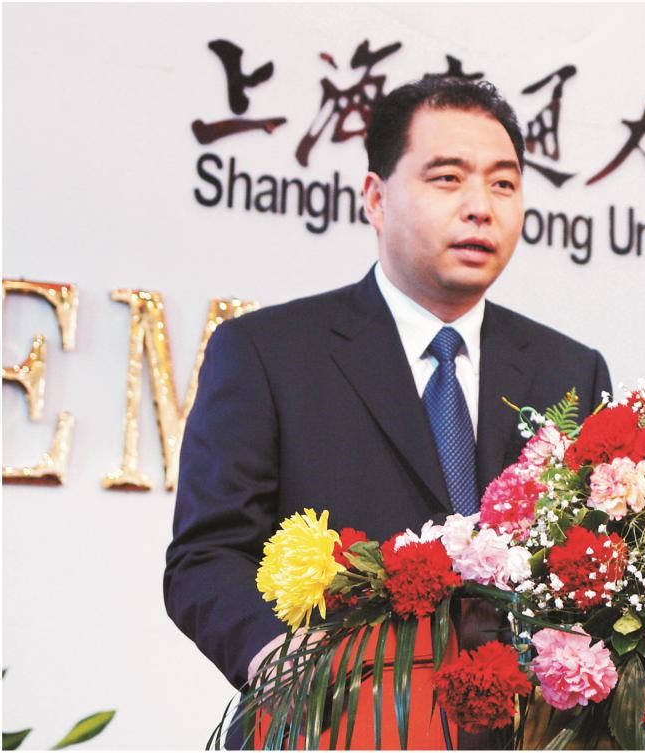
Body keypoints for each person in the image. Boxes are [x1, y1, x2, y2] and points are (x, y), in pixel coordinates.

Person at [163, 78, 611, 743]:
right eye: (447, 178)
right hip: (337, 725)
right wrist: (280, 659)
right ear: (375, 198)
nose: (480, 208)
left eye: (503, 184)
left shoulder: (570, 370)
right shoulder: (267, 352)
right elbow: (206, 554)